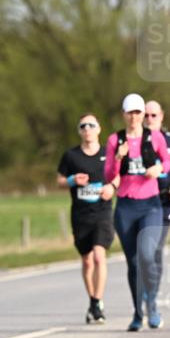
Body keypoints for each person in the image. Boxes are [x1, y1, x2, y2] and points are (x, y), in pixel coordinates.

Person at [104, 94, 170, 332]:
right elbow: (109, 173)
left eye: (138, 113)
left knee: (147, 256)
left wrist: (159, 168)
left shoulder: (154, 137)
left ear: (143, 115)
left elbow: (168, 161)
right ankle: (137, 312)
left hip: (151, 205)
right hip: (125, 207)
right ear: (124, 114)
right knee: (133, 263)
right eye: (130, 112)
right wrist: (118, 157)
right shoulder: (115, 139)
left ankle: (152, 304)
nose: (134, 117)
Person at [57, 113, 114, 324]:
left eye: (91, 125)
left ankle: (97, 302)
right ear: (79, 131)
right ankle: (93, 300)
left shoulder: (109, 154)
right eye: (83, 126)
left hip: (102, 213)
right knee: (87, 261)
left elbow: (117, 174)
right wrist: (72, 180)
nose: (87, 129)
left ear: (99, 129)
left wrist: (112, 187)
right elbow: (59, 180)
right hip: (81, 215)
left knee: (99, 256)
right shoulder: (71, 156)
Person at [143, 100, 170, 291]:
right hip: (141, 200)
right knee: (142, 250)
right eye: (146, 115)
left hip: (163, 200)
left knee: (155, 248)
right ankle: (143, 287)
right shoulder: (134, 140)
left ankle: (152, 293)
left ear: (161, 116)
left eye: (153, 115)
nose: (149, 119)